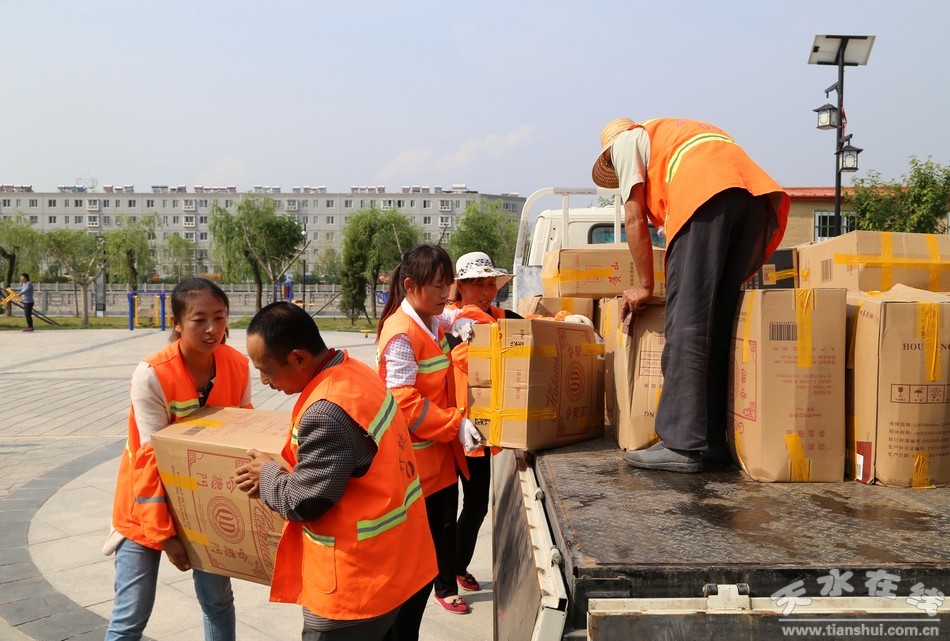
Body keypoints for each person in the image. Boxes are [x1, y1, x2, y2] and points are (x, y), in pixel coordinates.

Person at [591, 117, 789, 473]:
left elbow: (634, 218)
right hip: (753, 200)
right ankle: (710, 440)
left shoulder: (626, 141)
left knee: (688, 321)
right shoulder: (678, 133)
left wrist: (644, 286)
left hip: (704, 195)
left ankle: (681, 445)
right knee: (716, 320)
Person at [234, 302, 436, 641]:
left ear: (298, 358)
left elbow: (305, 502)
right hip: (397, 564)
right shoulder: (355, 373)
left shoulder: (326, 413)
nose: (264, 381)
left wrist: (265, 474)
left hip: (355, 587)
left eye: (266, 370)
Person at [104, 278, 252, 641]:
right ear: (177, 323)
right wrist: (164, 535)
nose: (212, 329)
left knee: (218, 603)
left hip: (205, 504)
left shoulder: (237, 365)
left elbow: (242, 434)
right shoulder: (152, 374)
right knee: (130, 617)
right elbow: (150, 457)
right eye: (199, 319)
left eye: (220, 317)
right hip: (146, 505)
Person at [375, 244, 483, 631]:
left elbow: (458, 314)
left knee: (434, 554)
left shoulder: (430, 319)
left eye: (447, 284)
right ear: (410, 286)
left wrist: (462, 321)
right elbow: (403, 402)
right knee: (414, 574)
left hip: (438, 465)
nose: (445, 293)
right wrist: (456, 424)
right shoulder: (401, 334)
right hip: (414, 473)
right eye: (437, 286)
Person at [446, 252, 521, 593]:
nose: (486, 291)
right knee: (445, 509)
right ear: (460, 287)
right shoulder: (453, 323)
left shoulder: (502, 317)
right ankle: (443, 579)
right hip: (450, 429)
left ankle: (457, 565)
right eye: (477, 284)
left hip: (479, 432)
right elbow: (468, 357)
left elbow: (535, 327)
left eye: (491, 284)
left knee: (476, 505)